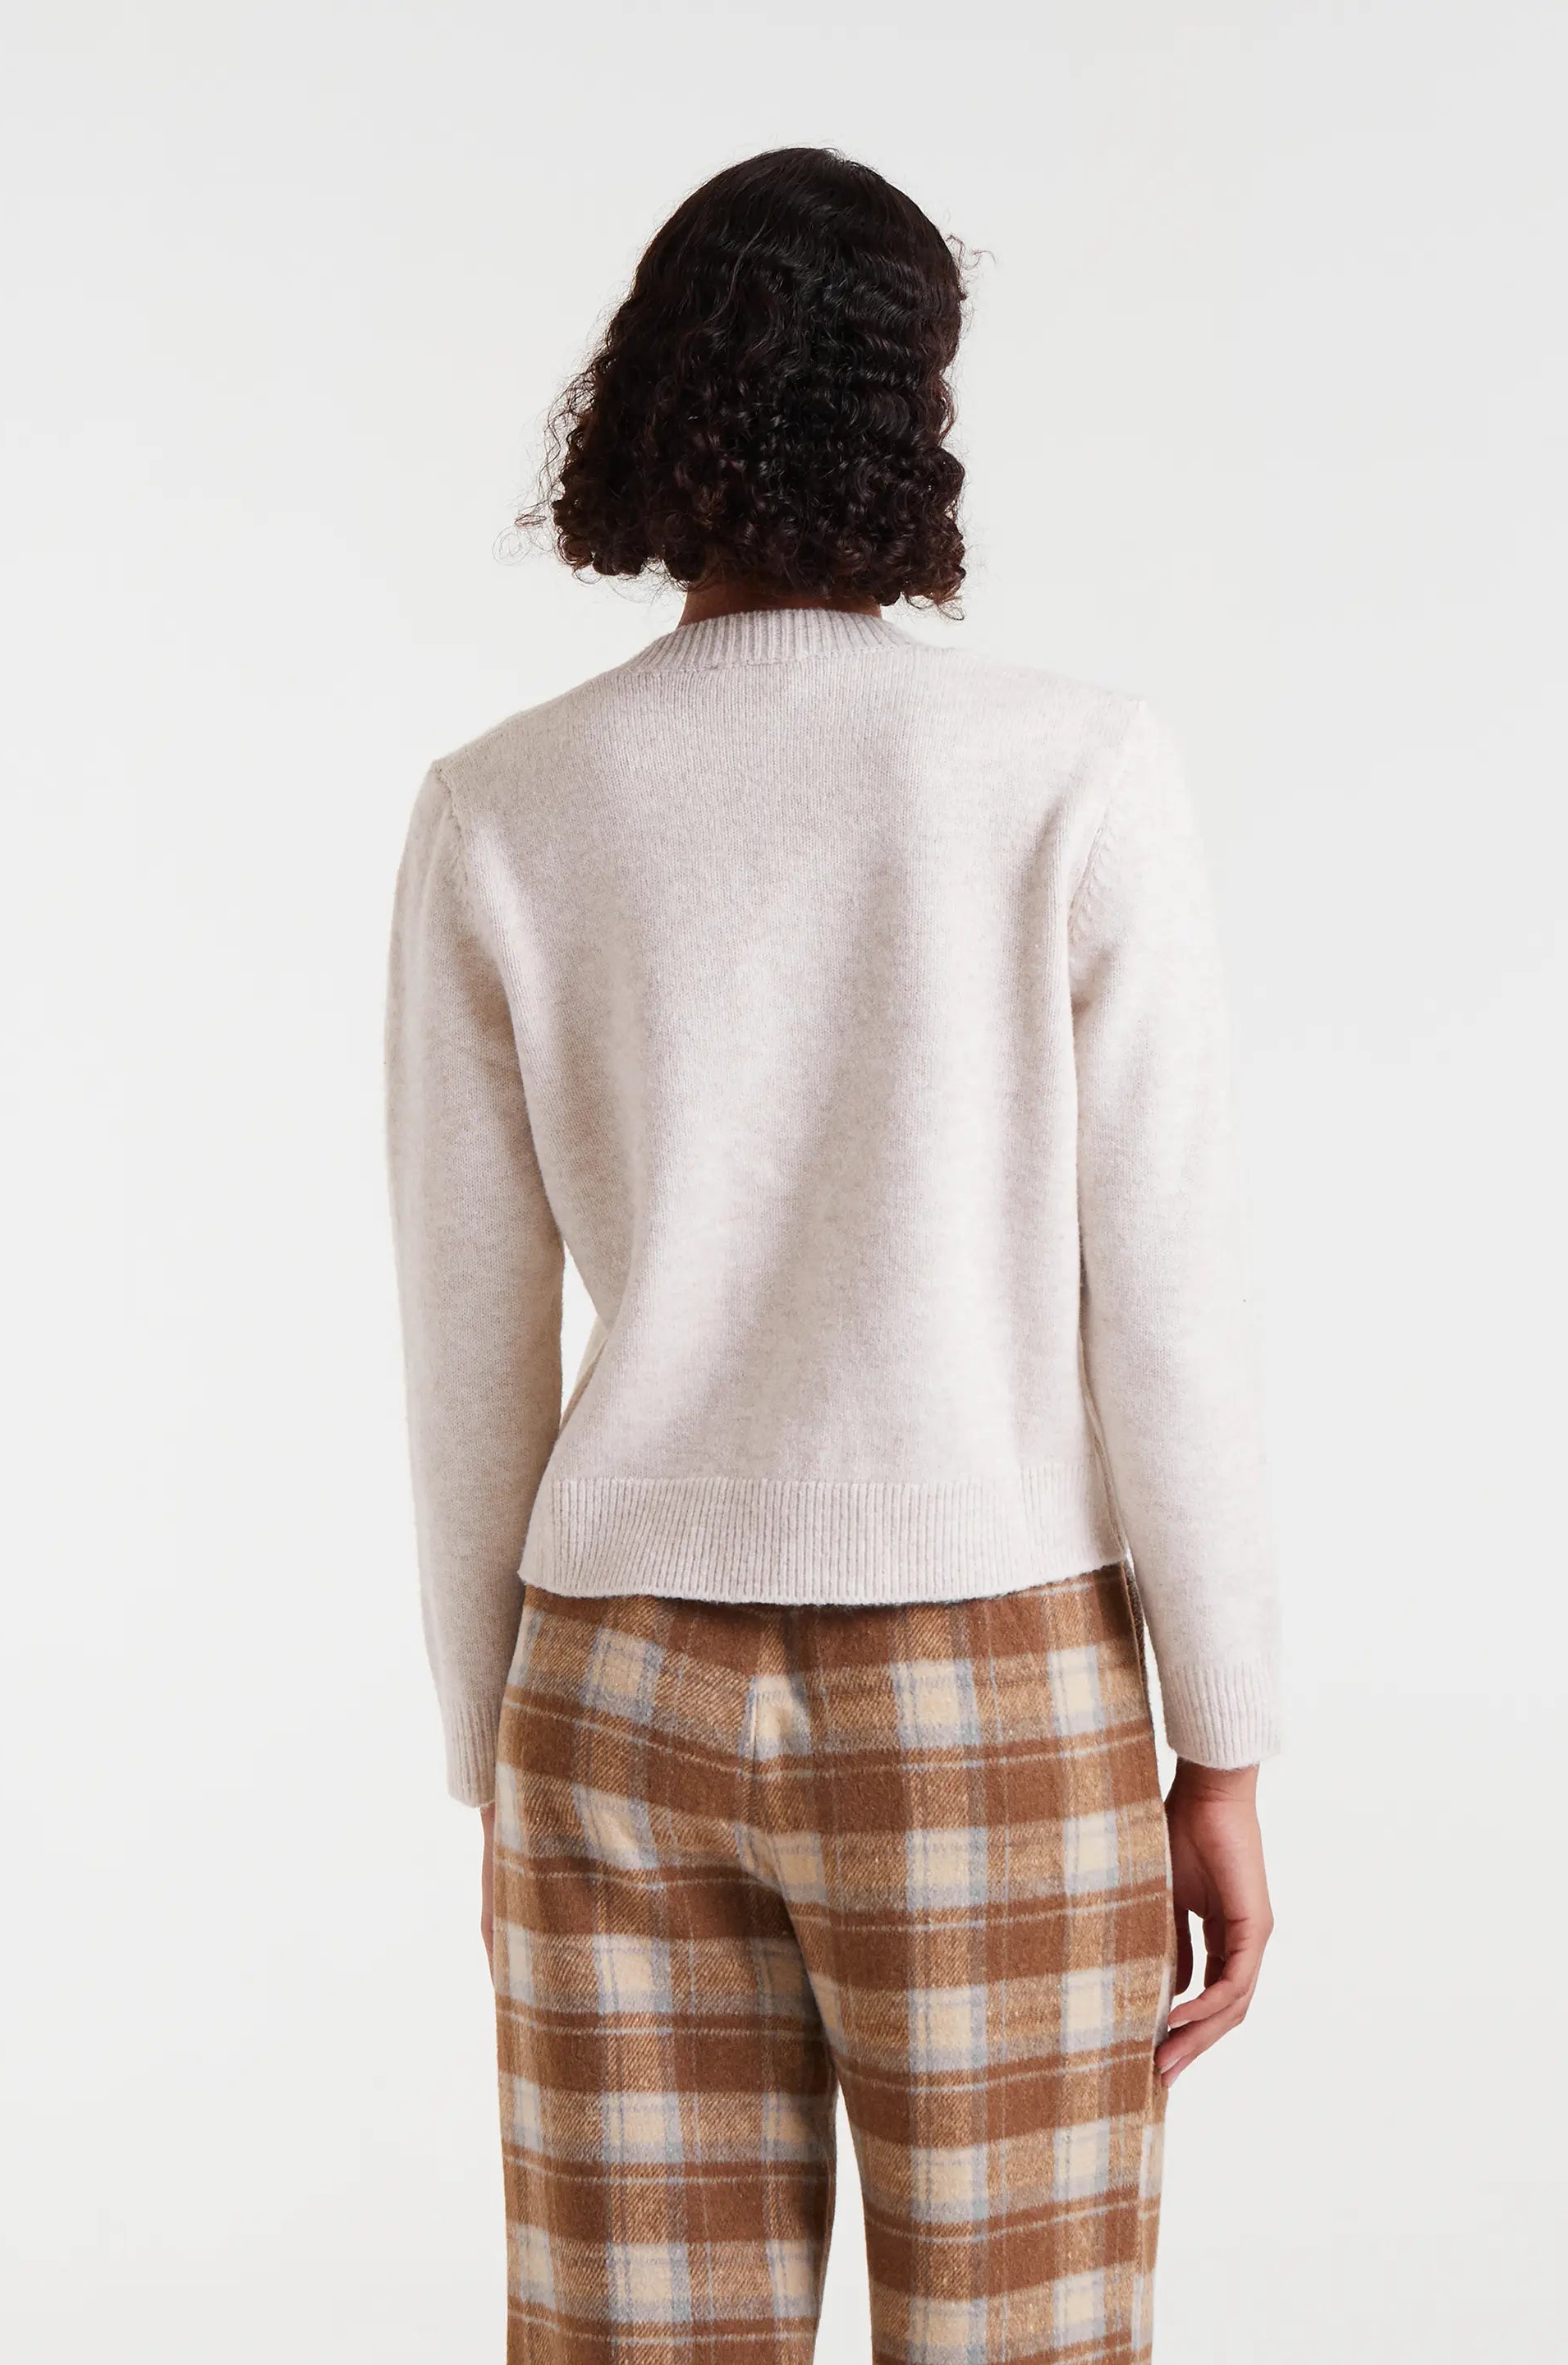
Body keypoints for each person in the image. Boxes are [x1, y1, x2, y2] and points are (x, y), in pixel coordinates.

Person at [385, 145, 1278, 2365]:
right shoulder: (1074, 773)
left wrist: (493, 1757)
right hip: (995, 1689)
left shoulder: (506, 805)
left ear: (650, 398)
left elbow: (468, 1341)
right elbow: (1166, 1310)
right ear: (914, 411)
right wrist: (1225, 1744)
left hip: (609, 1688)